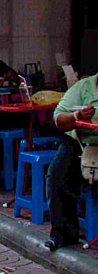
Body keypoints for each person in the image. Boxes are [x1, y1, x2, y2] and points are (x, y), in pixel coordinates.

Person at [47, 73, 98, 250]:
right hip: (81, 142)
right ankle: (63, 233)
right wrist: (76, 115)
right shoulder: (84, 87)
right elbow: (59, 119)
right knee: (58, 175)